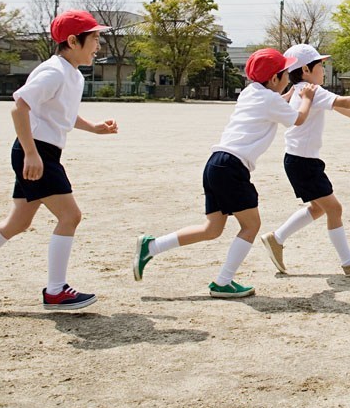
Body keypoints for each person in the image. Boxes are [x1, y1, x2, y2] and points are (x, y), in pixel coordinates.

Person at [0, 10, 118, 311]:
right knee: (70, 216)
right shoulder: (54, 71)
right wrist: (31, 153)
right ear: (73, 41)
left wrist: (94, 127)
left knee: (17, 222)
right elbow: (19, 107)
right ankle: (56, 291)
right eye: (95, 38)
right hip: (37, 152)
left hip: (42, 152)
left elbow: (61, 113)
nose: (99, 45)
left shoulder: (70, 73)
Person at [133, 48, 316, 298]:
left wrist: (290, 94)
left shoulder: (252, 92)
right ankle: (223, 282)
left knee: (212, 229)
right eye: (285, 73)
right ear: (274, 79)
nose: (288, 77)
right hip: (232, 167)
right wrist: (306, 97)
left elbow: (274, 104)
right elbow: (298, 119)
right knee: (251, 225)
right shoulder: (270, 100)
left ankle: (152, 247)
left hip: (216, 163)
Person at [260, 44, 350, 277]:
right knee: (334, 208)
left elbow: (336, 104)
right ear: (306, 69)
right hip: (303, 163)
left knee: (319, 208)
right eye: (320, 65)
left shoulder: (303, 90)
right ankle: (349, 261)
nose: (324, 69)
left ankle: (276, 238)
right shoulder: (310, 90)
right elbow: (344, 101)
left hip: (300, 160)